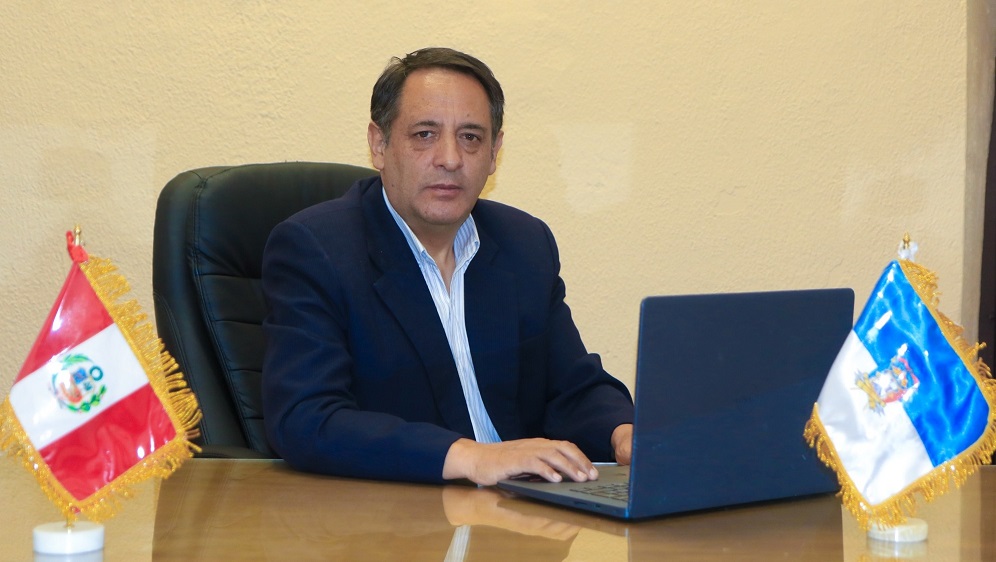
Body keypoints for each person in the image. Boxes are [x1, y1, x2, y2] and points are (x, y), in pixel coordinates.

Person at [261, 47, 634, 486]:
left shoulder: (524, 244)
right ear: (379, 144)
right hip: (400, 512)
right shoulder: (316, 249)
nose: (451, 159)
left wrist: (624, 433)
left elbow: (572, 386)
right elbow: (306, 418)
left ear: (494, 153)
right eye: (425, 134)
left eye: (471, 137)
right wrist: (472, 458)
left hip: (520, 511)